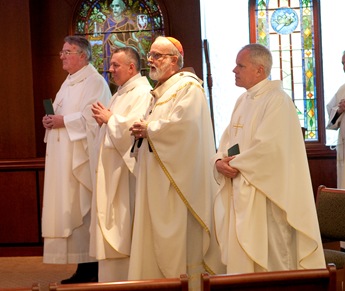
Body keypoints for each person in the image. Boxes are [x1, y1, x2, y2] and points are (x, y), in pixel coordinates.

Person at [212, 43, 326, 274]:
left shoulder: (278, 101)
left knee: (271, 261)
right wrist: (218, 161)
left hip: (266, 195)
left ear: (259, 70)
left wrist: (231, 164)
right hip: (241, 189)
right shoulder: (242, 101)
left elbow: (268, 150)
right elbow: (226, 141)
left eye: (240, 65)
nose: (234, 70)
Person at [128, 36, 225, 290]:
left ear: (174, 60)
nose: (150, 60)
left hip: (177, 180)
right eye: (150, 55)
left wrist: (150, 129)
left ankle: (185, 285)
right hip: (156, 176)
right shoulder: (159, 90)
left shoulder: (188, 88)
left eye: (157, 55)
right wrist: (143, 128)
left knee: (179, 242)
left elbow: (185, 127)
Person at [41, 35, 112, 284]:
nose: (61, 56)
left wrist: (63, 121)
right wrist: (51, 120)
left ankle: (90, 267)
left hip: (81, 157)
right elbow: (62, 113)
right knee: (70, 209)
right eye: (62, 51)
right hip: (64, 157)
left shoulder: (94, 81)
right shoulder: (69, 81)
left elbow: (93, 118)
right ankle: (83, 266)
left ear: (82, 55)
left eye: (67, 52)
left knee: (83, 209)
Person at [89, 46, 152, 282]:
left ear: (131, 67)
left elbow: (136, 130)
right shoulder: (120, 93)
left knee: (125, 228)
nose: (111, 70)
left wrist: (110, 120)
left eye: (116, 65)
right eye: (111, 64)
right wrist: (105, 122)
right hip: (111, 172)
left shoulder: (142, 92)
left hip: (125, 177)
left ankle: (128, 280)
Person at [102, 0, 144, 82]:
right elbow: (112, 40)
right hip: (112, 55)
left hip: (128, 57)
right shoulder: (108, 23)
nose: (114, 8)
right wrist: (130, 48)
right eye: (113, 6)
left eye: (117, 6)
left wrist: (141, 49)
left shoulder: (128, 22)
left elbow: (134, 37)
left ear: (122, 8)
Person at [326, 51, 345, 189]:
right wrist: (340, 110)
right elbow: (331, 116)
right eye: (343, 64)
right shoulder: (342, 90)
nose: (344, 67)